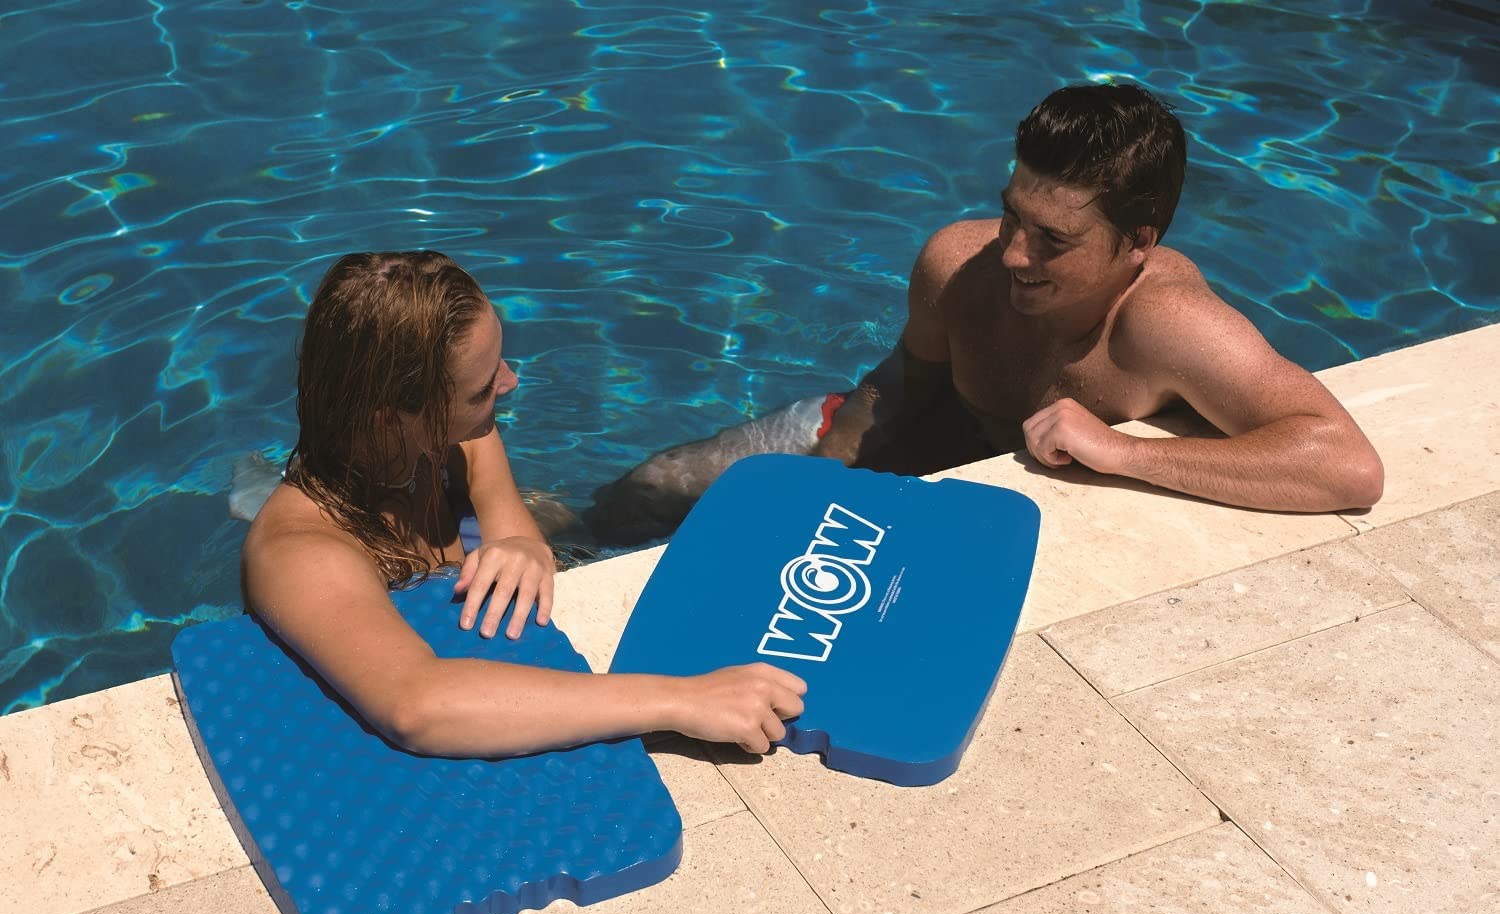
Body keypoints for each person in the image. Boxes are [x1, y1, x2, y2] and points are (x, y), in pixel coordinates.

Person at [585, 83, 1383, 546]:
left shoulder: (1167, 325)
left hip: (983, 502)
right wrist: (821, 476)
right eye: (1011, 217)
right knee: (649, 489)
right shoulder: (955, 264)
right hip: (923, 438)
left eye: (1053, 241)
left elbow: (1345, 466)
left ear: (1137, 244)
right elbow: (896, 388)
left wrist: (1121, 453)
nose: (1011, 254)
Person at [242, 251, 804, 758]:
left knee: (642, 502)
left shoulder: (456, 439)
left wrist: (526, 550)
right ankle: (249, 487)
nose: (510, 383)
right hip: (354, 597)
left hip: (417, 517)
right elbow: (418, 706)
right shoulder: (302, 555)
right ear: (391, 419)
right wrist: (682, 699)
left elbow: (526, 544)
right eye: (483, 387)